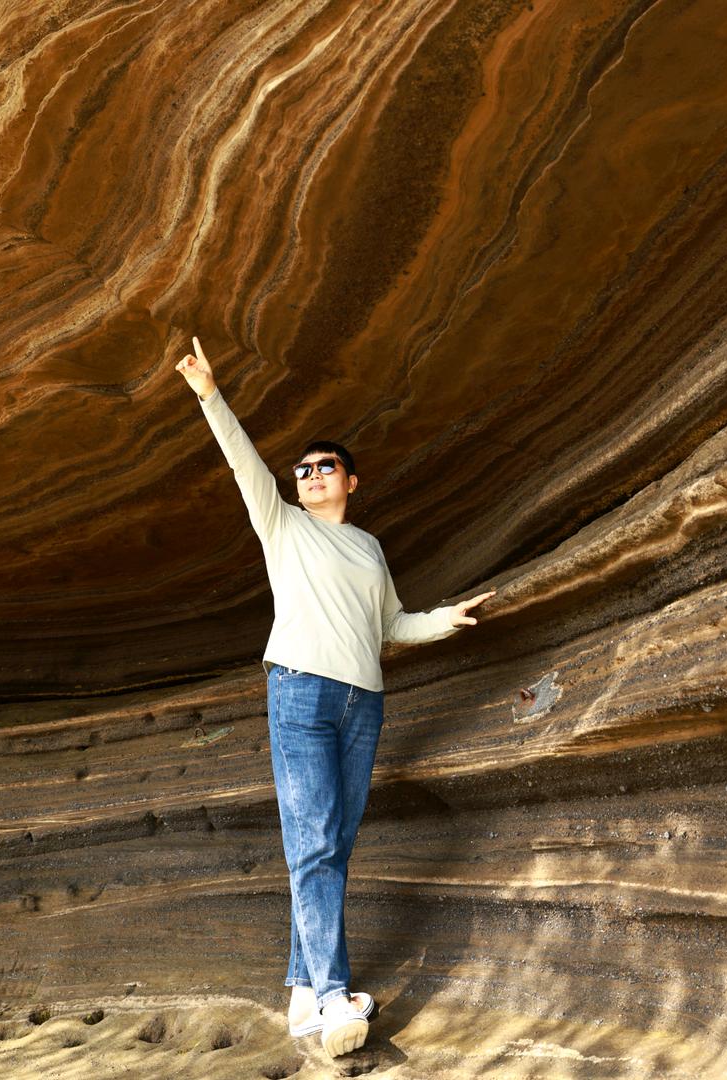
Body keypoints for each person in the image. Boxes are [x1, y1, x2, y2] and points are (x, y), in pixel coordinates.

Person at [174, 335, 494, 1057]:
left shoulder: (370, 549)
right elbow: (244, 464)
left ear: (353, 481)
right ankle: (329, 995)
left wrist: (446, 619)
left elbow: (391, 625)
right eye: (304, 469)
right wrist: (210, 396)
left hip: (362, 703)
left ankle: (298, 991)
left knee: (332, 845)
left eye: (326, 467)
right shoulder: (282, 526)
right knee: (314, 842)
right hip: (299, 694)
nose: (311, 474)